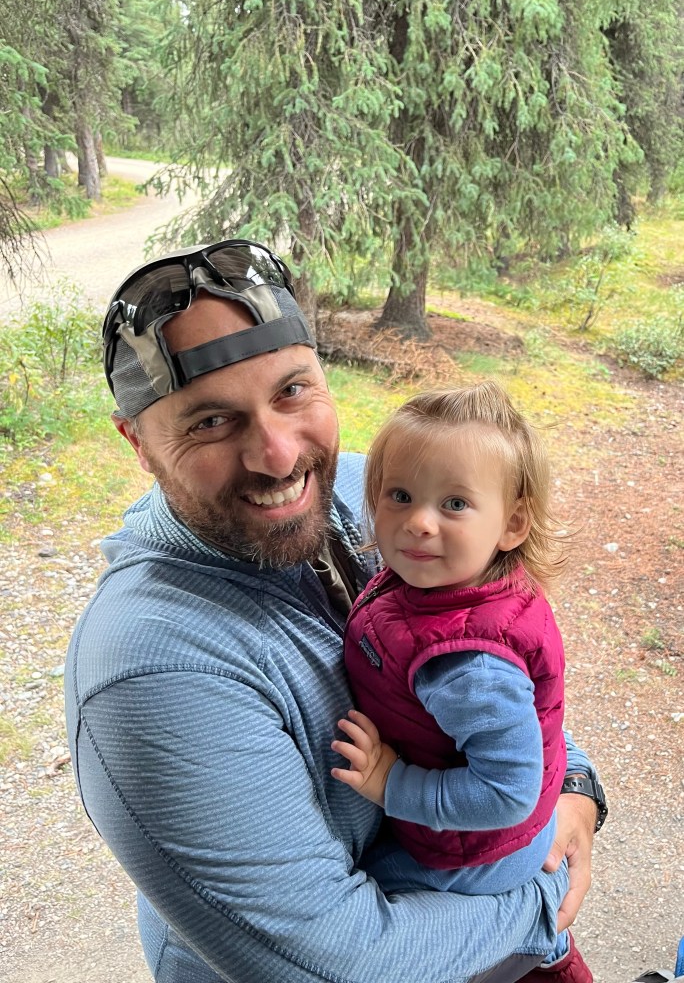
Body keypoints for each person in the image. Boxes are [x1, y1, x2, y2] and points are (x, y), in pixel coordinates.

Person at [64, 240, 606, 983]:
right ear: (139, 443)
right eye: (211, 422)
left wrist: (575, 785)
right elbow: (340, 962)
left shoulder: (363, 493)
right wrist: (540, 900)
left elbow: (493, 658)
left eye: (292, 391)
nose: (280, 455)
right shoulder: (152, 669)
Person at [331, 383, 593, 982]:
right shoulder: (449, 586)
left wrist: (392, 784)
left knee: (373, 893)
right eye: (400, 495)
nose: (419, 522)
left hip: (478, 852)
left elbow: (507, 792)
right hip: (495, 833)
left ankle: (535, 951)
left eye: (454, 503)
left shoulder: (469, 664)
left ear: (513, 523)